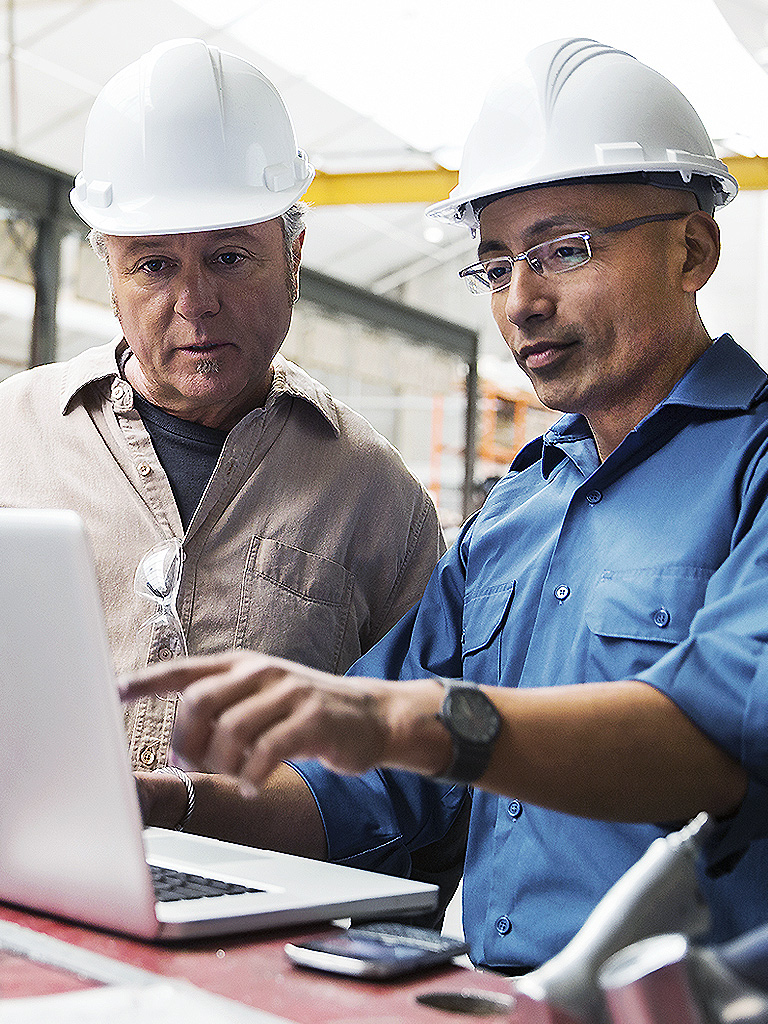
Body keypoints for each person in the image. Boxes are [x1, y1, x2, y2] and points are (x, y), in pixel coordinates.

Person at [123, 36, 768, 973]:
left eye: (564, 250)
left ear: (693, 249)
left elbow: (713, 743)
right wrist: (165, 806)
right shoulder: (520, 508)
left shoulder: (754, 467)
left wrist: (398, 718)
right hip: (488, 996)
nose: (522, 303)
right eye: (497, 265)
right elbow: (367, 789)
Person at [0, 41, 444, 807]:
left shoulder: (379, 502)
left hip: (266, 911)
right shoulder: (14, 434)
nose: (195, 303)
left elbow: (413, 791)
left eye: (231, 257)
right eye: (153, 265)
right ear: (108, 270)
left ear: (295, 258)